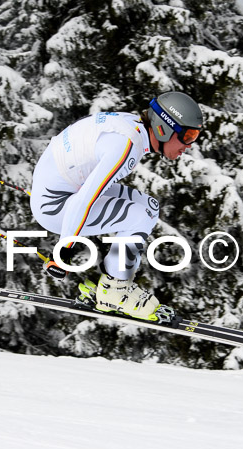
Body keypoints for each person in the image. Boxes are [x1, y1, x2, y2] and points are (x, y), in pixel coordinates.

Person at [30, 92, 203, 324]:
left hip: (63, 190)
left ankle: (111, 283)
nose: (188, 145)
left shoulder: (132, 128)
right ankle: (115, 291)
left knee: (149, 207)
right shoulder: (127, 145)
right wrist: (65, 249)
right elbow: (85, 200)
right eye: (187, 136)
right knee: (139, 216)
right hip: (56, 205)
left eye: (195, 136)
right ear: (163, 128)